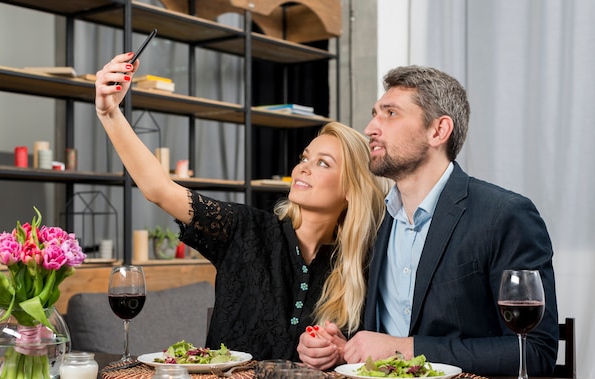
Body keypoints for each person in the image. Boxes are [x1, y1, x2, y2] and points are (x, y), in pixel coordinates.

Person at [94, 52, 389, 361]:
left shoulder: (362, 266)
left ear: (350, 192)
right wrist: (110, 112)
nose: (303, 167)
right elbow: (159, 189)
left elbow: (368, 360)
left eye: (322, 163)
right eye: (304, 158)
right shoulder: (244, 229)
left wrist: (339, 352)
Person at [297, 65, 559, 376]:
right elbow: (377, 342)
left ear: (438, 131)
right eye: (375, 114)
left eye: (390, 114)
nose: (370, 128)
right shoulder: (377, 223)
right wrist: (341, 349)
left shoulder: (505, 215)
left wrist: (405, 349)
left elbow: (534, 352)